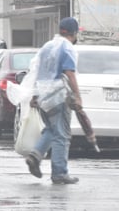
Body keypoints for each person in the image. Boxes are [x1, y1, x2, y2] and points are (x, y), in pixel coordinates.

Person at [25, 17, 82, 185]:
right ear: (74, 33)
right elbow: (69, 73)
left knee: (51, 129)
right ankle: (59, 173)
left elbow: (36, 71)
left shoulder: (47, 46)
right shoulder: (68, 48)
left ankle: (35, 155)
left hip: (43, 96)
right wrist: (77, 95)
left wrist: (35, 95)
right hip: (58, 96)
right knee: (62, 135)